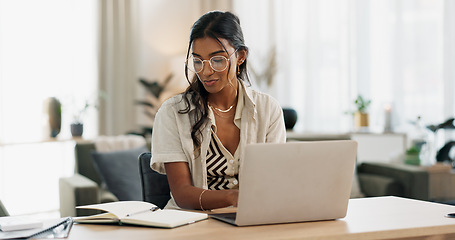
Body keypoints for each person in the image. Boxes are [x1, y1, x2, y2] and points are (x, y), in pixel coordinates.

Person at [151, 11, 286, 210]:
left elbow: (273, 181)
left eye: (217, 60)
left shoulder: (268, 109)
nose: (206, 71)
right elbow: (182, 194)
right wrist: (233, 197)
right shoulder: (172, 113)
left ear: (240, 56)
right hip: (190, 222)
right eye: (198, 61)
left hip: (251, 219)